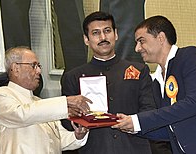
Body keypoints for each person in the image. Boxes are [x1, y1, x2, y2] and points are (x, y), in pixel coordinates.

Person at [61, 11, 165, 154]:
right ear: (86, 39)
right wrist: (78, 126)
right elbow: (66, 121)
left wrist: (132, 122)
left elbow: (150, 110)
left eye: (107, 31)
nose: (103, 37)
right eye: (96, 33)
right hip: (94, 149)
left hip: (134, 148)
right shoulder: (73, 77)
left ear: (116, 34)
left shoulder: (139, 70)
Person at [112, 15, 196, 154]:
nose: (137, 48)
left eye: (141, 41)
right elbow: (169, 131)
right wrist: (132, 127)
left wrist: (138, 120)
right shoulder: (156, 82)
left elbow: (193, 103)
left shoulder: (190, 56)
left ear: (161, 38)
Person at [0, 46, 93, 154]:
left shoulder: (39, 103)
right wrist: (65, 102)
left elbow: (58, 140)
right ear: (16, 68)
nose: (39, 71)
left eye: (39, 66)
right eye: (33, 65)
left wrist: (77, 135)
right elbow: (21, 114)